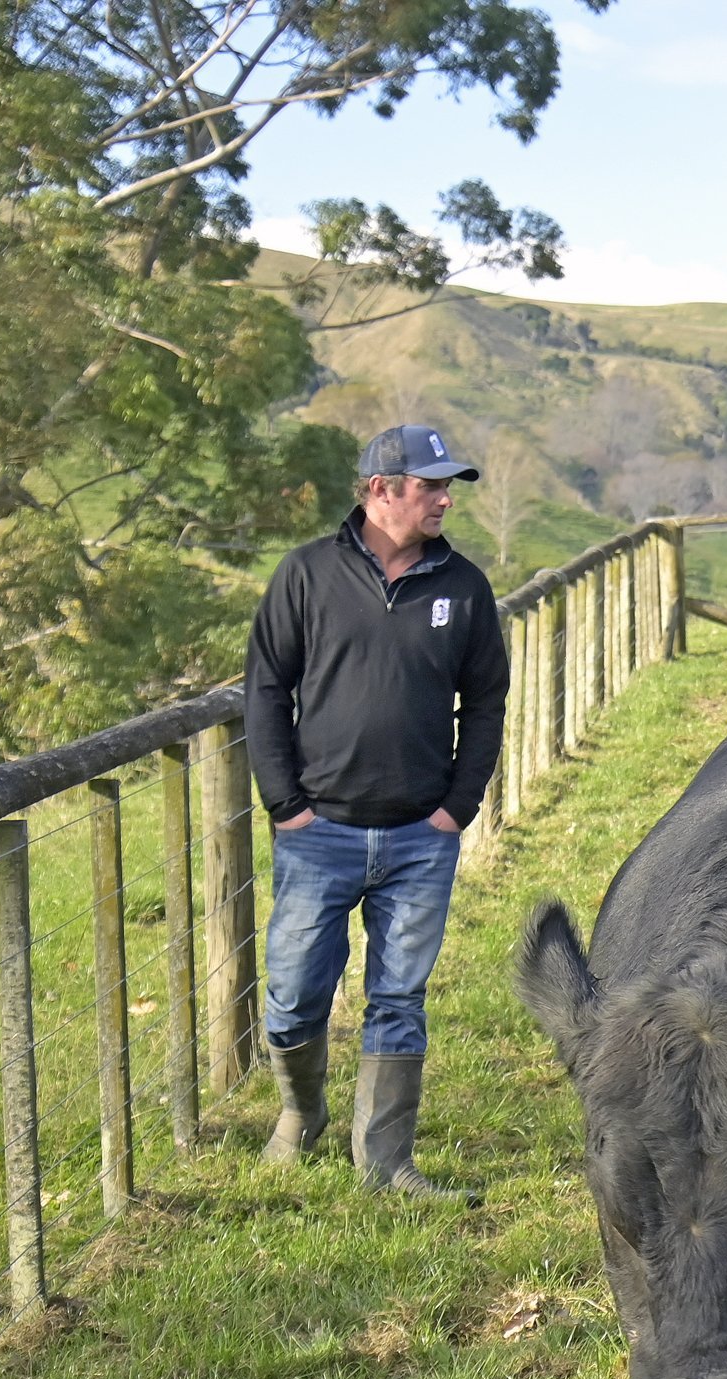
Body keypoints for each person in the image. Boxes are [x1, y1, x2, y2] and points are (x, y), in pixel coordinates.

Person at [244, 424, 509, 1199]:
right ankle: (301, 1115)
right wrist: (285, 804)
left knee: (398, 998)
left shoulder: (464, 586)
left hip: (421, 836)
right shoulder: (305, 575)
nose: (443, 498)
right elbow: (264, 690)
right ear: (380, 489)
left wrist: (459, 806)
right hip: (316, 831)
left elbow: (486, 700)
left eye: (446, 485)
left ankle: (387, 1164)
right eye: (429, 485)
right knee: (292, 999)